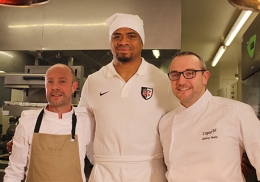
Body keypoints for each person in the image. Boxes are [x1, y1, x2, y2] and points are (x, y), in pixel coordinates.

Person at [78, 13, 179, 181]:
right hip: (105, 172)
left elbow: (179, 127)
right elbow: (83, 126)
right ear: (110, 42)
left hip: (149, 171)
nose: (123, 42)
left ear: (142, 41)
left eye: (131, 36)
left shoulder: (161, 81)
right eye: (117, 36)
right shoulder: (94, 81)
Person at [159, 51, 260, 181]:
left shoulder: (236, 112)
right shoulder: (165, 122)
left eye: (190, 73)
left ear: (205, 77)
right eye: (175, 75)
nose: (181, 81)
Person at [3, 64, 94, 182]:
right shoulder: (28, 121)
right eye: (50, 82)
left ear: (74, 87)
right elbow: (14, 173)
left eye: (62, 81)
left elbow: (98, 160)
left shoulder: (86, 121)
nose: (55, 87)